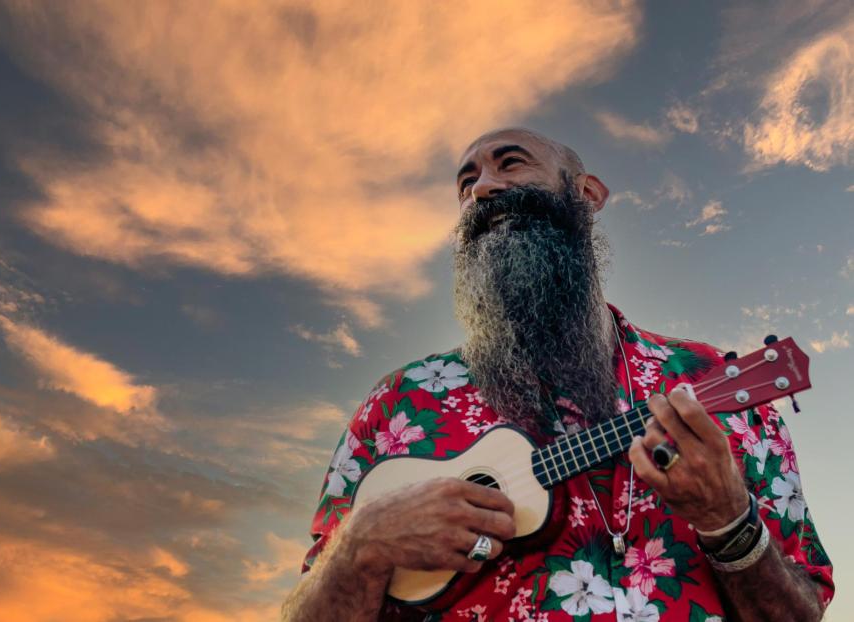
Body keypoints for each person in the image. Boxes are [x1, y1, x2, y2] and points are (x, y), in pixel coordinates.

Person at [281, 128, 833, 621]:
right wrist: (359, 546)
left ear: (586, 195)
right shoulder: (401, 404)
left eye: (511, 163)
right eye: (466, 180)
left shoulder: (709, 380)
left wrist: (728, 522)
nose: (482, 188)